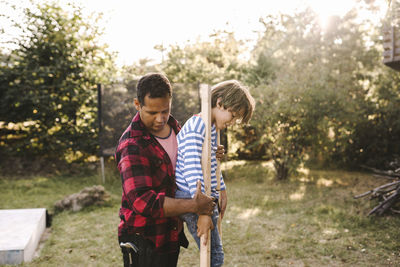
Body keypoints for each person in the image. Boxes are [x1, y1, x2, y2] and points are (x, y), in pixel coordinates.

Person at [115, 73, 218, 267]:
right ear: (137, 104)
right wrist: (194, 205)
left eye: (165, 110)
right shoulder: (132, 145)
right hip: (145, 237)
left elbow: (188, 157)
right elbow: (142, 201)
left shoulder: (174, 126)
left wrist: (212, 152)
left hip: (169, 233)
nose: (160, 118)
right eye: (152, 113)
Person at [175, 80, 255, 267]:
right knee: (214, 255)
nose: (233, 122)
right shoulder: (197, 127)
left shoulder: (211, 128)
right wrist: (203, 211)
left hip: (204, 199)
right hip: (193, 198)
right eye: (233, 115)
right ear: (219, 103)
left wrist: (222, 190)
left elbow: (209, 167)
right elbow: (193, 171)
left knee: (214, 252)